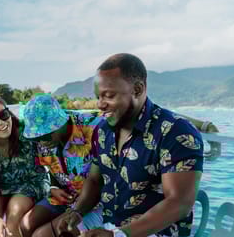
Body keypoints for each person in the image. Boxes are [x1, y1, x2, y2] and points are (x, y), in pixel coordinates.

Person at [54, 53, 204, 237]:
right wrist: (77, 212)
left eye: (108, 95)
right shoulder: (102, 131)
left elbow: (179, 202)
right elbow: (94, 180)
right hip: (110, 221)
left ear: (138, 90)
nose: (100, 104)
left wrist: (119, 235)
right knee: (52, 232)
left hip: (156, 231)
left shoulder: (175, 131)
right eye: (98, 97)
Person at [17, 94, 105, 237]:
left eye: (44, 136)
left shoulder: (94, 128)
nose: (41, 142)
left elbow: (100, 180)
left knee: (41, 235)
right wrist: (53, 187)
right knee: (25, 225)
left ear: (60, 122)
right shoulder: (41, 141)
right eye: (36, 138)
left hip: (95, 201)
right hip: (65, 196)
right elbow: (52, 169)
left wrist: (78, 209)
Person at [0, 95, 50, 237]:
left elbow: (53, 156)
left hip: (31, 183)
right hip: (1, 188)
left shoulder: (27, 133)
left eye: (4, 115)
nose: (2, 123)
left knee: (13, 217)